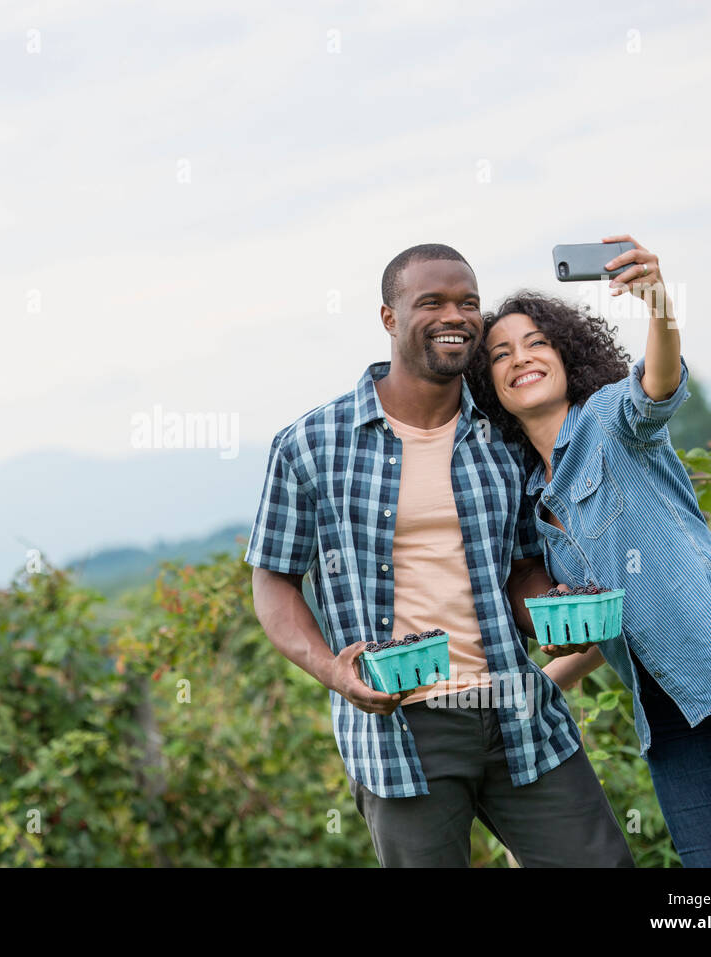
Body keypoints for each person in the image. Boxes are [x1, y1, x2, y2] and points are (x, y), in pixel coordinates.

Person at [245, 243, 633, 867]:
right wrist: (330, 669)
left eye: (468, 303)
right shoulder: (311, 444)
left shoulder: (503, 437)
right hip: (401, 730)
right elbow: (274, 580)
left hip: (518, 712)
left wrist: (552, 617)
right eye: (432, 302)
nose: (456, 315)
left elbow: (520, 569)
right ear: (388, 317)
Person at [467, 233, 711, 867]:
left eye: (536, 343)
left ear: (566, 356)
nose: (519, 358)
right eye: (500, 353)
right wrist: (530, 691)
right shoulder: (530, 503)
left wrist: (659, 305)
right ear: (489, 384)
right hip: (667, 708)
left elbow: (657, 384)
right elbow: (611, 625)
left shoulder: (612, 420)